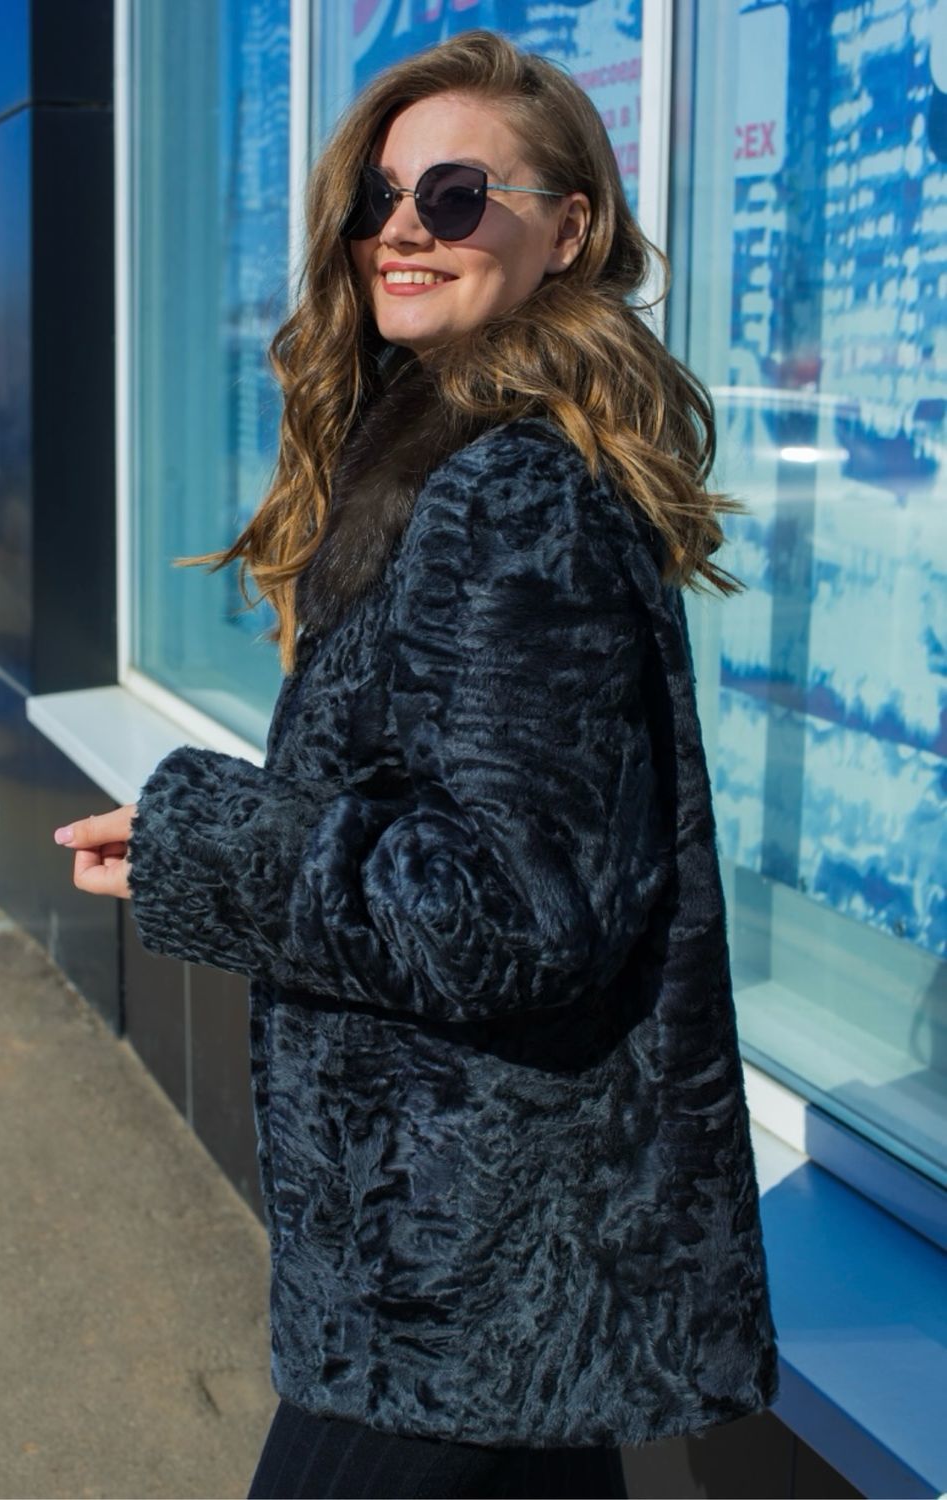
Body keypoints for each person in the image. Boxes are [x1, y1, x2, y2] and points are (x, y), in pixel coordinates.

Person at [54, 28, 780, 1500]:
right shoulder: (452, 455)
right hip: (479, 1249)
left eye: (456, 196)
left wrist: (211, 845)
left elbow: (514, 907)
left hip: (458, 1265)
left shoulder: (509, 493)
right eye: (377, 197)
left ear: (567, 230)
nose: (402, 228)